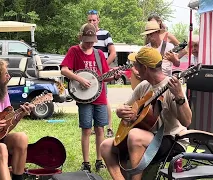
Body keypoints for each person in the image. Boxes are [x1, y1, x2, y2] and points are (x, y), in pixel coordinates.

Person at [100, 47, 192, 180]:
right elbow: (127, 106)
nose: (134, 70)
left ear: (144, 68)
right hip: (149, 137)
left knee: (135, 135)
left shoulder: (171, 87)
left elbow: (187, 121)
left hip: (172, 140)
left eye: (136, 65)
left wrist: (179, 96)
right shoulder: (144, 86)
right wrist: (120, 110)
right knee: (106, 146)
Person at [61, 23, 120, 173]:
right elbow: (64, 70)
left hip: (99, 96)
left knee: (100, 128)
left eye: (92, 41)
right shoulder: (74, 51)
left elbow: (104, 77)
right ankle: (86, 162)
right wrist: (79, 79)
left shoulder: (99, 54)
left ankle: (99, 161)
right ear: (80, 37)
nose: (89, 43)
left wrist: (115, 76)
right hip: (83, 98)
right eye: (87, 40)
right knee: (86, 129)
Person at [88, 9, 117, 138]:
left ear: (98, 20)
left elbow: (113, 52)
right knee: (91, 98)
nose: (92, 22)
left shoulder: (105, 34)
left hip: (101, 73)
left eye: (94, 20)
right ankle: (96, 126)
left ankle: (109, 127)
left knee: (104, 99)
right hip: (89, 74)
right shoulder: (86, 34)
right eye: (90, 20)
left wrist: (103, 68)